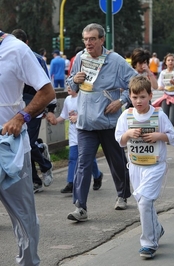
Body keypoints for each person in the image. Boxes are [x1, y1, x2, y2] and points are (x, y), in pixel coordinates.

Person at [65, 23, 136, 222]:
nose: (88, 43)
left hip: (108, 122)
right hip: (86, 122)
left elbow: (136, 82)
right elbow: (71, 84)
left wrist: (121, 101)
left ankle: (122, 195)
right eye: (86, 39)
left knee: (117, 161)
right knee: (83, 163)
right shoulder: (80, 58)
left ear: (102, 40)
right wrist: (75, 81)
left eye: (92, 39)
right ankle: (80, 207)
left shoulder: (116, 60)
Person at [0, 29, 55, 266]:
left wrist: (21, 116)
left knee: (23, 216)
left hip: (8, 146)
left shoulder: (16, 49)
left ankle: (29, 263)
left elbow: (47, 91)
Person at [115, 76, 174, 259]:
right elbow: (119, 140)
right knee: (143, 203)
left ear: (150, 95)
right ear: (129, 97)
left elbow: (173, 137)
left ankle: (149, 243)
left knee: (145, 202)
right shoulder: (126, 115)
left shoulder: (159, 115)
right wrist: (128, 133)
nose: (138, 101)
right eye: (135, 97)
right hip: (135, 166)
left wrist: (159, 136)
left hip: (155, 165)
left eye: (142, 97)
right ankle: (157, 228)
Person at [11, 29, 56, 193]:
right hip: (16, 105)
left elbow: (46, 86)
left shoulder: (36, 58)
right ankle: (35, 180)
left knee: (27, 142)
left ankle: (46, 165)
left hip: (33, 104)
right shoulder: (8, 56)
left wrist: (50, 108)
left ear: (26, 44)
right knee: (21, 145)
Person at [48, 85, 104, 193]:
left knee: (88, 159)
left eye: (71, 86)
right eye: (67, 85)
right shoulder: (67, 100)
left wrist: (78, 117)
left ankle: (97, 175)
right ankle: (71, 183)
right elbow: (64, 115)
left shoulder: (83, 98)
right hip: (73, 136)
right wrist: (55, 120)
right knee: (73, 158)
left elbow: (90, 114)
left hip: (85, 134)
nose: (68, 88)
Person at [153, 53, 174, 127]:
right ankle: (167, 136)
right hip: (165, 97)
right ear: (165, 62)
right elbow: (159, 85)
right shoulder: (162, 73)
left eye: (172, 60)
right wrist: (160, 88)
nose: (170, 62)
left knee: (172, 122)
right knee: (164, 119)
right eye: (168, 60)